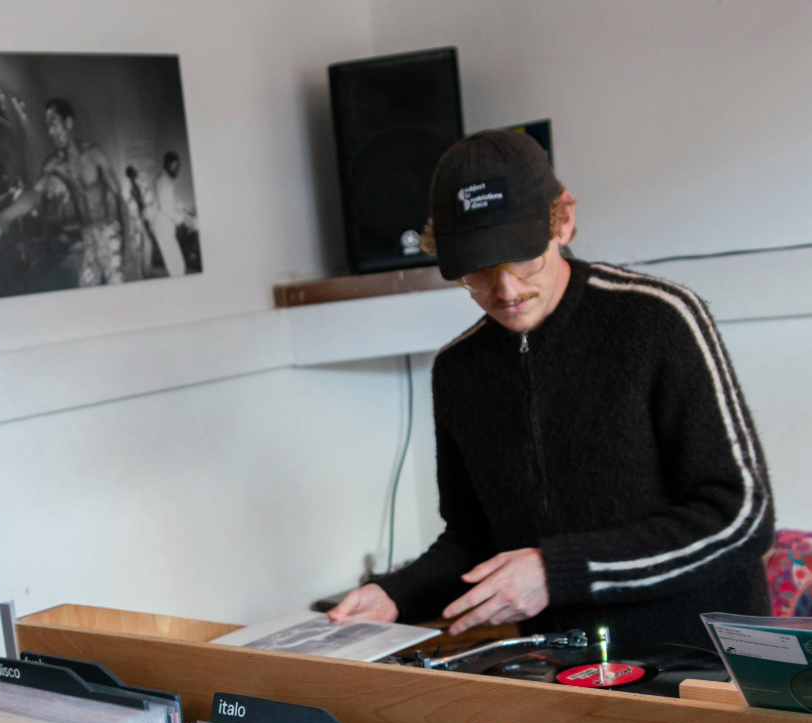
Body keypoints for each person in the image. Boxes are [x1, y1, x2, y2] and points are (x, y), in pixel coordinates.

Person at [329, 130, 773, 648]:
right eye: (478, 272)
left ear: (563, 220)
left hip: (709, 669)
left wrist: (559, 571)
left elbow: (741, 515)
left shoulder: (660, 320)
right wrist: (395, 595)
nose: (507, 291)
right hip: (567, 676)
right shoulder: (458, 371)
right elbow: (475, 539)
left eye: (522, 258)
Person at [0, 96, 127, 286]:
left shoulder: (94, 153)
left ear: (68, 123)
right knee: (87, 288)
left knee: (117, 286)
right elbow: (34, 194)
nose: (50, 132)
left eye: (54, 124)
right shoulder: (55, 164)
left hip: (108, 230)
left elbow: (118, 196)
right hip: (87, 235)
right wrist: (3, 217)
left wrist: (127, 238)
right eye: (48, 127)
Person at [149, 152, 193, 277]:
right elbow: (165, 206)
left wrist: (183, 212)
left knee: (176, 266)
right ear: (171, 164)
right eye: (176, 166)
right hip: (163, 228)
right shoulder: (163, 179)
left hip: (164, 228)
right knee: (177, 267)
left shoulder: (162, 179)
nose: (177, 170)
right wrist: (183, 218)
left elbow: (167, 205)